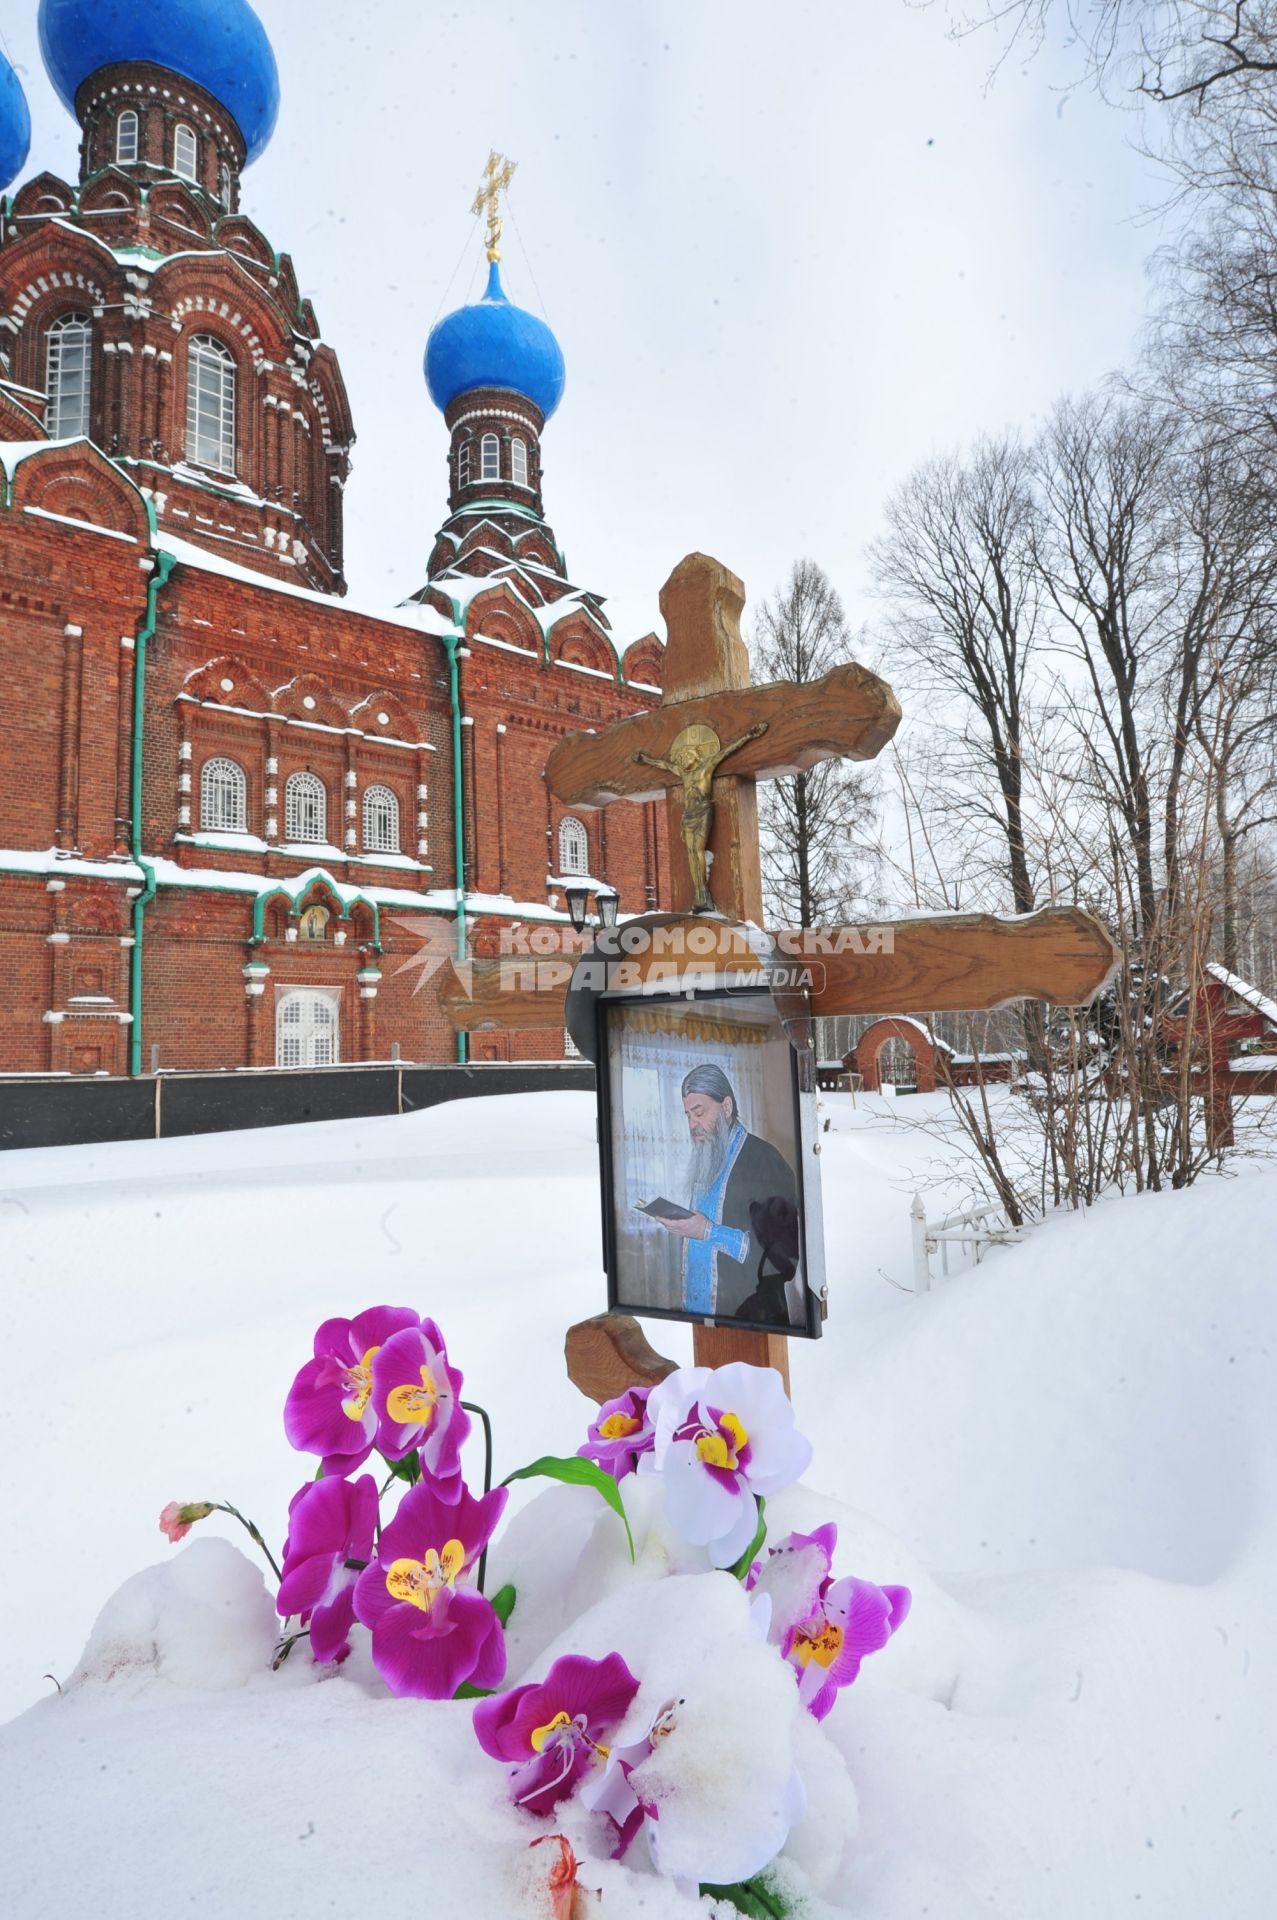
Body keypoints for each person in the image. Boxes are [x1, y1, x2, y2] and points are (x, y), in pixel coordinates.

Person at [654, 1061, 799, 1320]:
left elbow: (783, 1256)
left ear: (727, 1107)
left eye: (699, 1112)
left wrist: (707, 1231)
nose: (692, 1124)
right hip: (707, 1318)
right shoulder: (708, 1156)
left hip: (755, 1319)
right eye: (688, 1115)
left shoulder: (763, 1160)